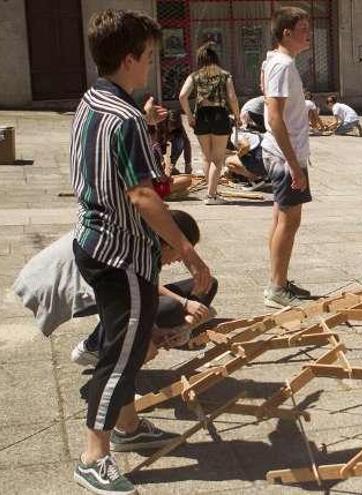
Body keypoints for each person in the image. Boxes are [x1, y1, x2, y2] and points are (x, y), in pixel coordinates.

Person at [69, 10, 212, 495]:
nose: (151, 66)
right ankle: (94, 455)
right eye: (148, 57)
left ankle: (129, 428)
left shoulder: (92, 102)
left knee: (120, 342)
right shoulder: (126, 117)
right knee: (123, 355)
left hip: (91, 242)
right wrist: (188, 254)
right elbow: (143, 196)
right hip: (122, 254)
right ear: (129, 58)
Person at [14, 211, 218, 361]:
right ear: (168, 243)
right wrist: (150, 333)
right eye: (180, 254)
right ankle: (100, 353)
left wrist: (165, 328)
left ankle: (100, 344)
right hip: (61, 287)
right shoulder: (136, 246)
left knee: (205, 286)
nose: (177, 261)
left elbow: (142, 286)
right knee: (163, 312)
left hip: (95, 281)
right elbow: (129, 295)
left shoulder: (144, 237)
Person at [260, 6, 314, 308]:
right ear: (287, 33)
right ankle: (277, 288)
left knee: (281, 218)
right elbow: (275, 115)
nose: (308, 34)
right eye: (303, 29)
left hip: (283, 153)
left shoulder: (276, 62)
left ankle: (278, 279)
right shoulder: (282, 65)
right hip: (285, 156)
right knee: (289, 221)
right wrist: (294, 164)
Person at [179, 41, 241, 205]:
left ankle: (210, 191)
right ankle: (212, 195)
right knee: (218, 158)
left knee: (206, 156)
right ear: (216, 58)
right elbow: (232, 98)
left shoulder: (195, 75)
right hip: (219, 114)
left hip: (201, 116)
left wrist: (189, 117)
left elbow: (182, 96)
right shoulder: (224, 75)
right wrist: (237, 115)